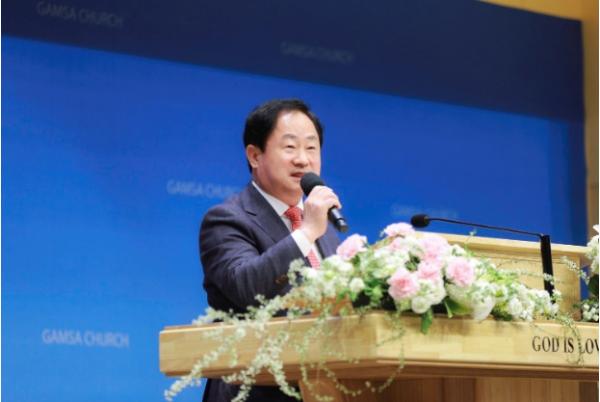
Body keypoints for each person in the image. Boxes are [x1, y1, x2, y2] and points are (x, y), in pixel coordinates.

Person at [199, 99, 342, 402]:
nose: (303, 160)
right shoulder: (227, 219)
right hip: (255, 391)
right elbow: (247, 288)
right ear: (255, 155)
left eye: (311, 148)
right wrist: (305, 233)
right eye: (290, 147)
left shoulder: (324, 228)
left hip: (323, 386)